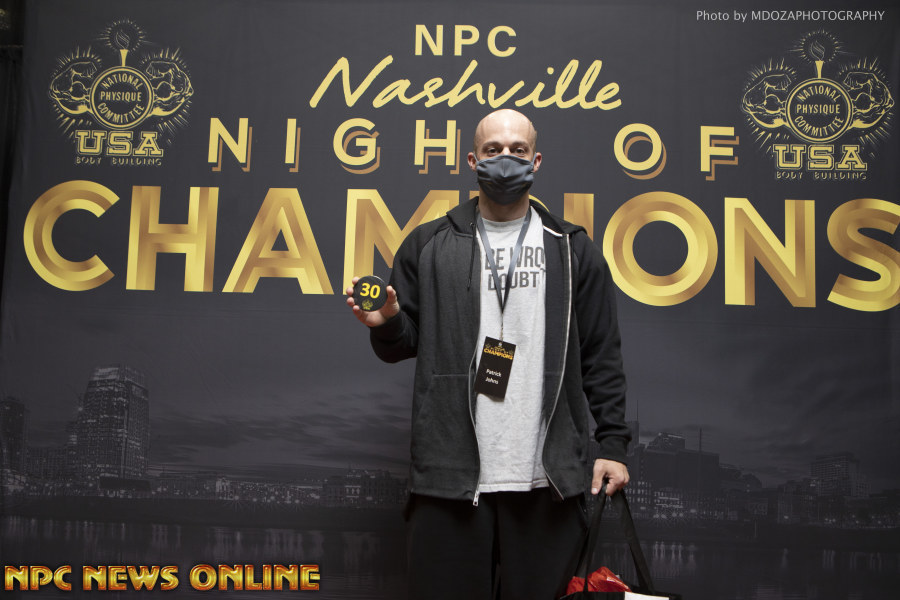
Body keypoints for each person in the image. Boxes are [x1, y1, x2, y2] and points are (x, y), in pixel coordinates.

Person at [345, 108, 630, 600]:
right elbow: (401, 346)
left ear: (536, 161)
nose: (505, 159)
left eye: (518, 150)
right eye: (493, 150)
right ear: (473, 160)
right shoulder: (428, 243)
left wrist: (613, 445)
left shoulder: (572, 249)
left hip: (548, 483)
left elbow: (601, 353)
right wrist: (388, 322)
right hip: (449, 480)